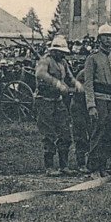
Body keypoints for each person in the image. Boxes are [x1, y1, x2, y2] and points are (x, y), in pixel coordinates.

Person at [84, 24, 111, 177]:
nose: (109, 40)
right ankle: (93, 168)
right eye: (105, 36)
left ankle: (103, 166)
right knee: (98, 133)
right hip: (100, 99)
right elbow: (88, 83)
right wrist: (91, 105)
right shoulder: (92, 58)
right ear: (99, 39)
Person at [35, 34, 78, 174]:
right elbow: (40, 74)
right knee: (49, 134)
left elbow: (70, 78)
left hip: (58, 101)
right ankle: (49, 167)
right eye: (61, 52)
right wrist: (57, 83)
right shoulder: (45, 60)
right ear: (54, 51)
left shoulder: (63, 63)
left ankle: (63, 166)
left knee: (65, 132)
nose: (63, 55)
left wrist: (77, 84)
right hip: (44, 100)